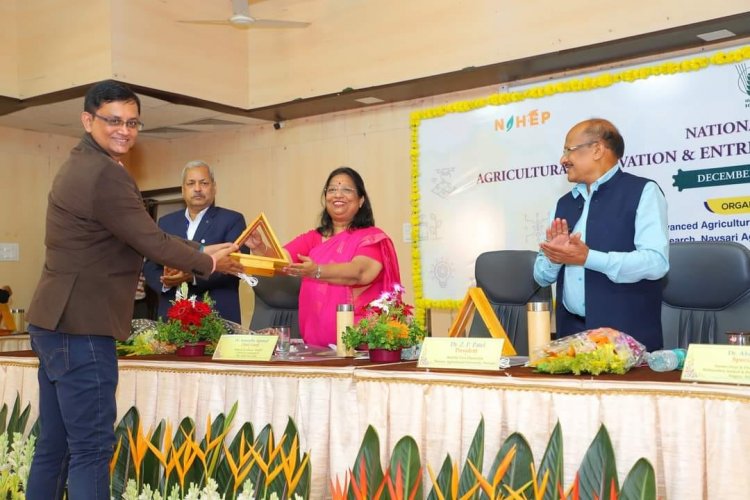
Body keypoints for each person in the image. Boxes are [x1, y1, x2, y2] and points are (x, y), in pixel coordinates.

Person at [24, 80, 244, 500]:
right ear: (88, 120)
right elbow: (151, 240)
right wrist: (209, 260)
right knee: (91, 450)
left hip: (53, 321)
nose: (124, 130)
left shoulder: (79, 162)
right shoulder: (104, 172)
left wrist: (199, 252)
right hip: (82, 324)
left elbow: (133, 238)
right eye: (113, 121)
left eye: (132, 122)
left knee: (55, 447)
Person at [533, 118, 669, 352]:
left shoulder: (643, 192)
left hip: (626, 341)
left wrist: (588, 258)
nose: (563, 159)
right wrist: (555, 257)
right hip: (570, 339)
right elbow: (541, 278)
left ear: (597, 149)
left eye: (569, 150)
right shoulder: (564, 204)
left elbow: (656, 263)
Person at [245, 167, 401, 347]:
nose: (338, 195)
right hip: (315, 347)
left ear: (361, 200)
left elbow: (359, 272)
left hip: (359, 345)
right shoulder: (313, 238)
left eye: (347, 190)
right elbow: (282, 262)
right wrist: (260, 247)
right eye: (332, 189)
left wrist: (317, 271)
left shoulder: (371, 238)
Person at [143, 160, 246, 323]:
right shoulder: (166, 222)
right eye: (191, 183)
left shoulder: (232, 220)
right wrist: (165, 281)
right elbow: (150, 265)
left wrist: (190, 276)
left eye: (204, 183)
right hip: (172, 317)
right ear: (183, 190)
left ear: (214, 187)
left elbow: (235, 265)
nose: (197, 189)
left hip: (216, 317)